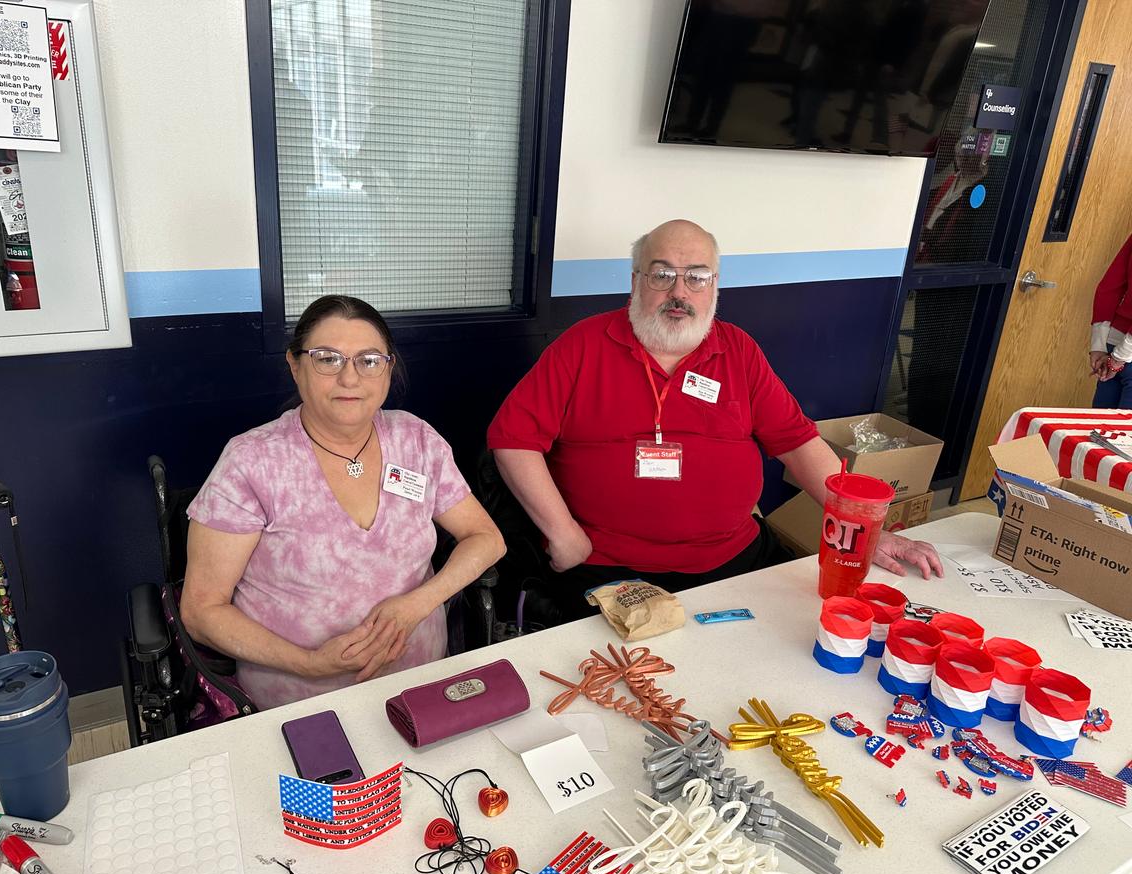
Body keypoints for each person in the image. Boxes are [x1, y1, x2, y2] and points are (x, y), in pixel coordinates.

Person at [487, 219, 942, 618]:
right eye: (662, 274)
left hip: (732, 559)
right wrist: (563, 534)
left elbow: (798, 444)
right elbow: (512, 439)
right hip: (607, 568)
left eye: (696, 277)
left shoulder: (738, 350)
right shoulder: (582, 346)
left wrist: (864, 532)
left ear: (715, 285)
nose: (679, 292)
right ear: (635, 281)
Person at [181, 295, 505, 709]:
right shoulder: (252, 462)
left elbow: (486, 538)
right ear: (295, 366)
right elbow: (202, 610)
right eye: (327, 359)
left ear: (388, 370)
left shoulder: (416, 440)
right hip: (299, 701)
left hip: (422, 685)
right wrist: (310, 663)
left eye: (369, 360)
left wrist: (416, 605)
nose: (350, 379)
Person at [1090, 232, 1132, 408]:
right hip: (1120, 353)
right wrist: (1119, 358)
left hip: (1114, 343)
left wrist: (1098, 345)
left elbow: (1109, 287)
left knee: (1099, 429)